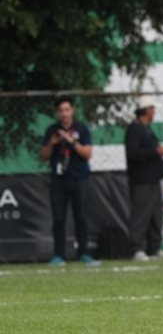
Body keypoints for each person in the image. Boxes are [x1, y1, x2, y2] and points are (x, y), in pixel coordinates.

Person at [39, 96, 99, 266]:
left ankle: (84, 253)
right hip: (59, 179)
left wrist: (73, 143)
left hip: (79, 178)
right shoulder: (52, 130)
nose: (64, 114)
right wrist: (53, 143)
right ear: (57, 113)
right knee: (59, 218)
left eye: (67, 110)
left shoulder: (81, 128)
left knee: (81, 217)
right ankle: (59, 254)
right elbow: (43, 157)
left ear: (72, 110)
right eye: (61, 111)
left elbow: (88, 153)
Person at [124, 95, 163, 261]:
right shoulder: (134, 129)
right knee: (140, 214)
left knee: (155, 215)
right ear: (146, 110)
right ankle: (137, 248)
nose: (154, 112)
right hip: (141, 180)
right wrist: (155, 151)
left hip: (153, 179)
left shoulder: (147, 129)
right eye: (152, 109)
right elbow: (133, 153)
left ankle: (155, 247)